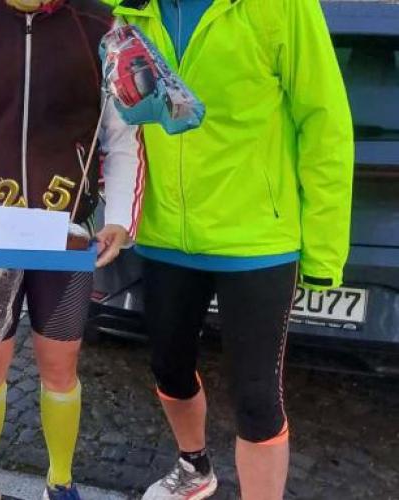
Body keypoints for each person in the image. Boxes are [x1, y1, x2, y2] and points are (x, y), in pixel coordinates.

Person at [102, 0, 354, 499]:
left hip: (257, 241)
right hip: (165, 233)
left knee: (256, 397)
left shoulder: (283, 7)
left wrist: (324, 251)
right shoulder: (129, 9)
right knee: (169, 369)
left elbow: (325, 122)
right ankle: (194, 467)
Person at [0, 0, 146, 497]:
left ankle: (60, 482)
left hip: (67, 234)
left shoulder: (102, 25)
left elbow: (124, 137)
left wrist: (121, 219)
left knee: (60, 368)